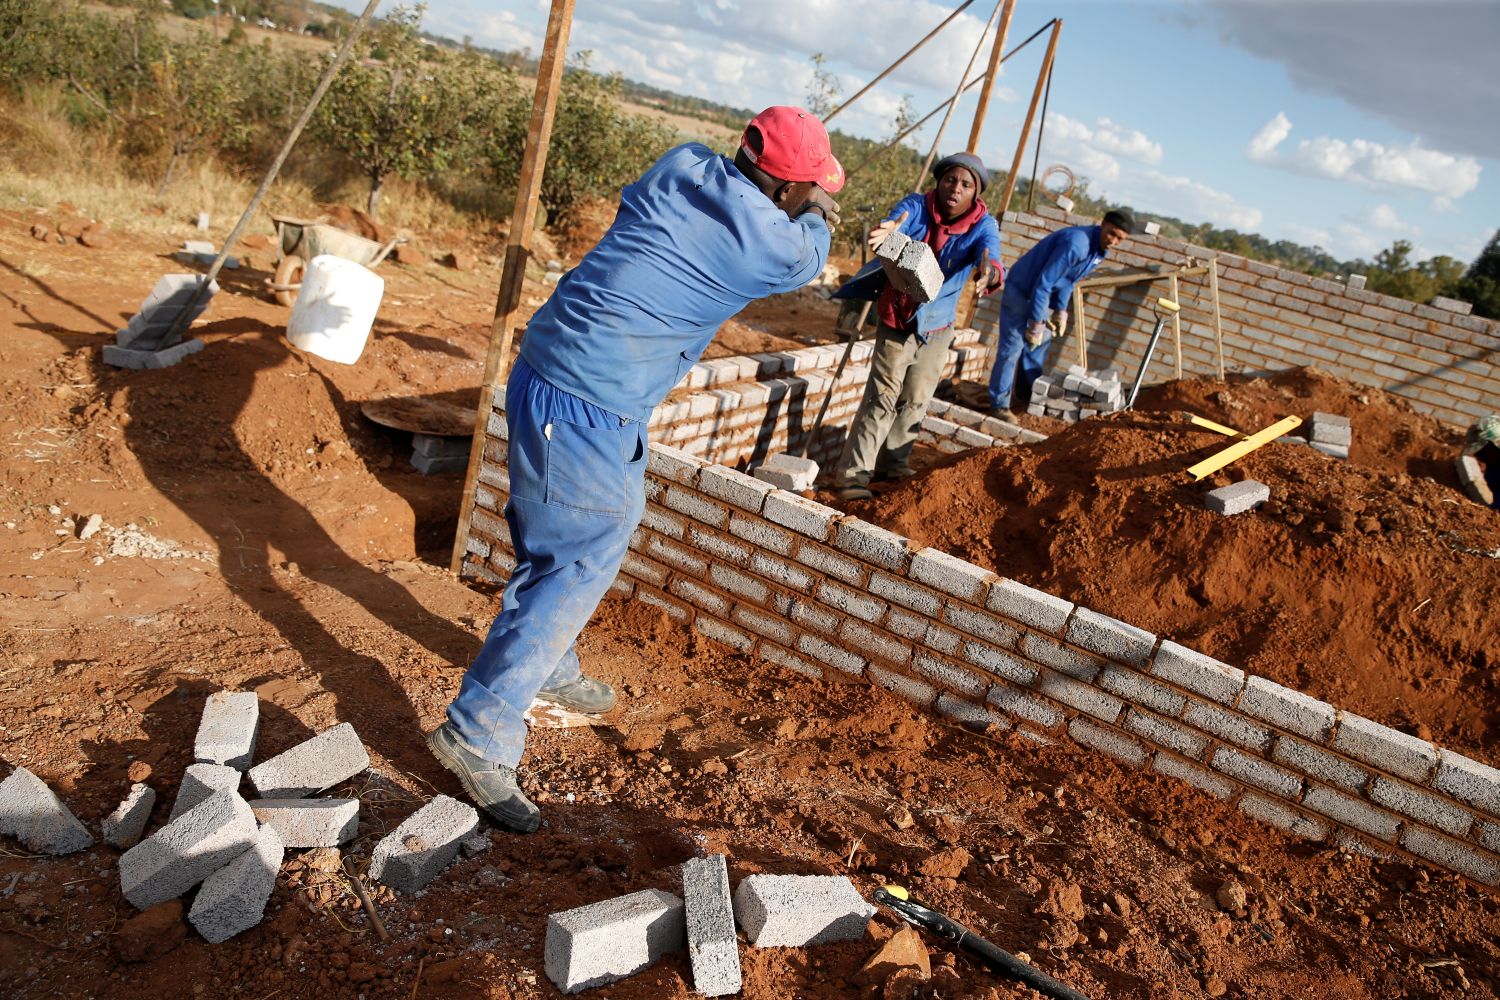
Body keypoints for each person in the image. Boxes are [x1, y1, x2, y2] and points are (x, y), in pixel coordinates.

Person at [429, 107, 843, 832]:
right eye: (808, 187)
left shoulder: (682, 163)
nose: (812, 198)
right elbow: (811, 255)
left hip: (549, 366)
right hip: (592, 398)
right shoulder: (770, 242)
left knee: (561, 531)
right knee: (583, 553)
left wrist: (798, 194)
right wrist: (824, 213)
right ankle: (479, 731)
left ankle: (547, 664)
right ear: (785, 192)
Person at [829, 153, 1003, 500]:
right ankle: (852, 478)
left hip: (938, 328)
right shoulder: (917, 206)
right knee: (882, 398)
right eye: (950, 180)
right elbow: (898, 222)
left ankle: (893, 467)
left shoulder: (983, 225)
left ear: (976, 193)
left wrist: (990, 269)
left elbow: (990, 253)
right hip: (898, 317)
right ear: (939, 182)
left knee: (916, 399)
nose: (955, 189)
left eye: (966, 184)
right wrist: (890, 230)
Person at [986, 208, 1135, 417]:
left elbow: (1069, 281)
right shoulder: (1077, 244)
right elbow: (1044, 282)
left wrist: (1060, 311)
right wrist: (1037, 322)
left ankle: (1026, 397)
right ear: (1103, 224)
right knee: (1012, 349)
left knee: (1038, 346)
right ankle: (999, 404)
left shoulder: (1098, 251)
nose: (1114, 241)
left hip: (1041, 296)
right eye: (1112, 233)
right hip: (1022, 291)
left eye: (1120, 238)